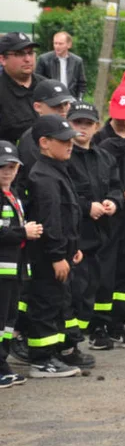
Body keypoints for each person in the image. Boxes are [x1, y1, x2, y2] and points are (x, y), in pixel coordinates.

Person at [24, 115, 88, 376]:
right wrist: (56, 256)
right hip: (48, 257)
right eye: (63, 141)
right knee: (45, 304)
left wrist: (73, 247)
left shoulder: (57, 171)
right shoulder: (44, 177)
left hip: (61, 253)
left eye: (71, 140)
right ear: (44, 143)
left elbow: (67, 218)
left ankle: (53, 353)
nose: (69, 145)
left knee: (58, 303)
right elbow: (50, 222)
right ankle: (40, 360)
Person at [65, 102, 124, 351]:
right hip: (76, 237)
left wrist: (113, 202)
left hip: (102, 236)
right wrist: (86, 206)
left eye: (87, 124)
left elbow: (116, 187)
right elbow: (62, 195)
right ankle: (70, 343)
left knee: (94, 289)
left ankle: (86, 335)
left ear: (96, 127)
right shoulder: (64, 158)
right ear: (68, 124)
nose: (82, 128)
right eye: (77, 123)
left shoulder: (104, 157)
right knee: (75, 293)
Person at [0, 141, 43, 387]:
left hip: (15, 269)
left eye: (12, 167)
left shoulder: (13, 194)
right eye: (2, 167)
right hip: (2, 271)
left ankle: (3, 364)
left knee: (8, 322)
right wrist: (22, 232)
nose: (7, 171)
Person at [0, 32, 41, 145]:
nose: (27, 59)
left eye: (30, 53)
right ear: (2, 59)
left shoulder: (46, 86)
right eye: (19, 54)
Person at [35, 32, 86, 100]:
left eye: (60, 44)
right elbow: (37, 81)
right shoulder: (43, 59)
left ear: (69, 45)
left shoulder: (77, 61)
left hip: (71, 100)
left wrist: (79, 99)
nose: (57, 46)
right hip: (51, 99)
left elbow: (82, 83)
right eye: (55, 43)